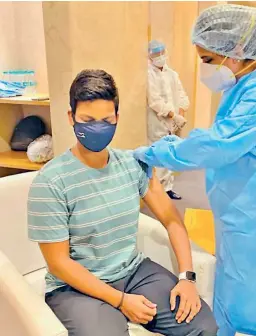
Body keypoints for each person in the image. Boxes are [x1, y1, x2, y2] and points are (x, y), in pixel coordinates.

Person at [134, 4, 256, 336]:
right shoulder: (244, 82)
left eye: (207, 59)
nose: (205, 68)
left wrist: (154, 152)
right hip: (244, 206)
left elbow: (217, 145)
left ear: (235, 53)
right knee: (236, 284)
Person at [27, 69, 217, 336]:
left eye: (105, 120)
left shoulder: (132, 165)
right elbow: (59, 263)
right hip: (74, 288)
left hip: (134, 272)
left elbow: (172, 220)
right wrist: (120, 301)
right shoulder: (51, 182)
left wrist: (187, 278)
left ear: (117, 118)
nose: (97, 127)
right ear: (71, 118)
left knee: (205, 327)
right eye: (87, 120)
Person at [147, 40, 190, 200]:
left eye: (161, 53)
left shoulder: (172, 74)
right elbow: (155, 101)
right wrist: (173, 115)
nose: (160, 57)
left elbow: (181, 95)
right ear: (149, 56)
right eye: (155, 54)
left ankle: (168, 188)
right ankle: (158, 191)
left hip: (174, 122)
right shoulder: (149, 75)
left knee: (171, 153)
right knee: (159, 155)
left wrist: (180, 114)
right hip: (158, 122)